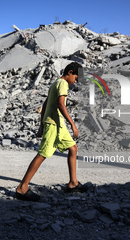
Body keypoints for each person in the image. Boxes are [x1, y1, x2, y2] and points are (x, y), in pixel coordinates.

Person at [16, 62, 87, 201]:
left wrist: (41, 126)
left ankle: (73, 183)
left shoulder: (55, 83)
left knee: (73, 148)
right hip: (54, 124)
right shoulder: (62, 84)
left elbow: (45, 105)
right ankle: (22, 188)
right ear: (70, 72)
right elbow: (61, 104)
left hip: (58, 124)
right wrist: (73, 124)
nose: (75, 82)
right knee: (43, 154)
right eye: (76, 78)